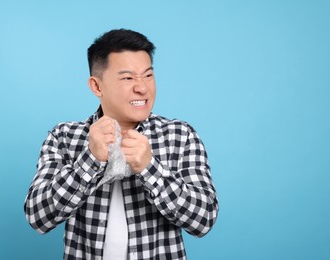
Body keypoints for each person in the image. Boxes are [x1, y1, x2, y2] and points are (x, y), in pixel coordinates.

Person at [24, 29, 218, 260]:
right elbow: (38, 217)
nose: (142, 88)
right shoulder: (64, 137)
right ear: (97, 86)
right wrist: (90, 160)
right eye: (128, 78)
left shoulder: (180, 135)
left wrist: (150, 168)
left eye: (148, 75)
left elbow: (203, 220)